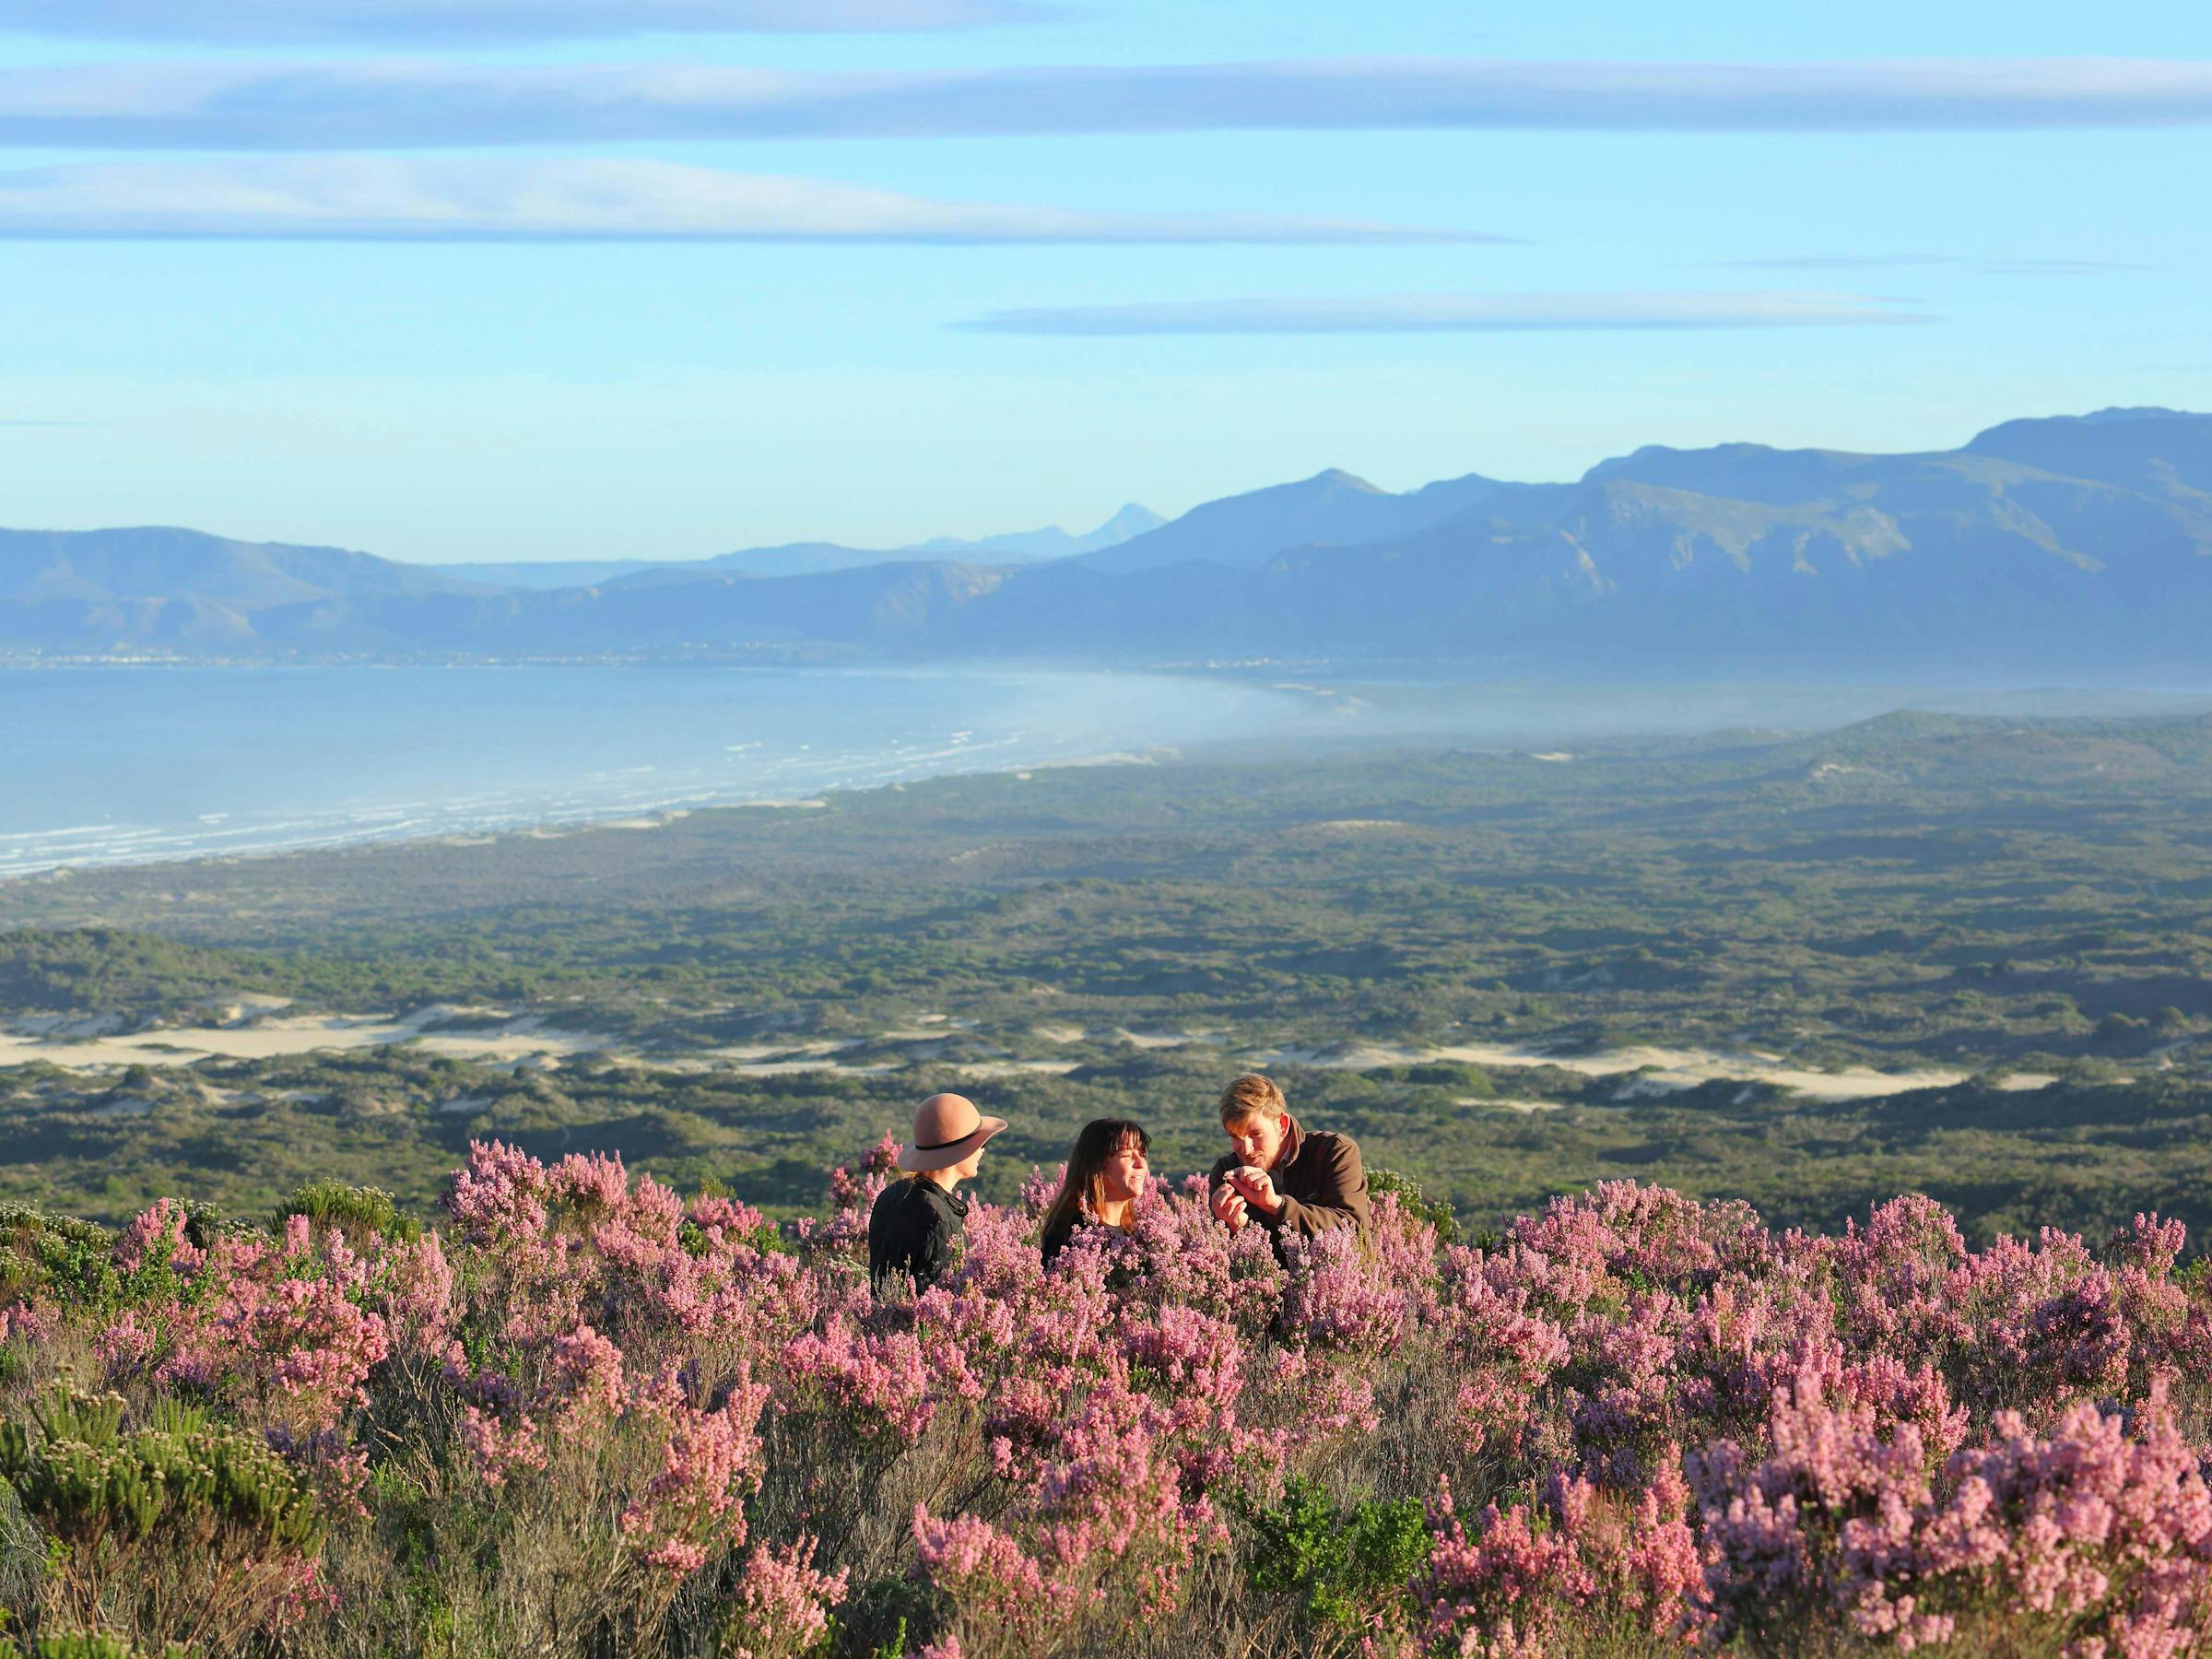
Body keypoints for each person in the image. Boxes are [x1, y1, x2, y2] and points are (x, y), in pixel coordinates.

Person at [1206, 1072, 1369, 1244]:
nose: (1246, 1149)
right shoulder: (1226, 1173)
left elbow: (1354, 1232)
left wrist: (1277, 1205)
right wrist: (1234, 1229)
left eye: (1256, 1134)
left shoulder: (1333, 1152)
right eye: (1235, 1137)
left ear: (1282, 1125)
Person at [869, 1091, 1006, 1292]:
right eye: (981, 1144)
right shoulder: (939, 1220)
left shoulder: (891, 1195)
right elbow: (940, 1302)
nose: (983, 1150)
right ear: (961, 1151)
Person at [1038, 1117, 1151, 1265]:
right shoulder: (1072, 1236)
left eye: (1142, 1154)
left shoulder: (1138, 1235)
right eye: (1126, 1155)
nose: (1141, 1163)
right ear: (1097, 1165)